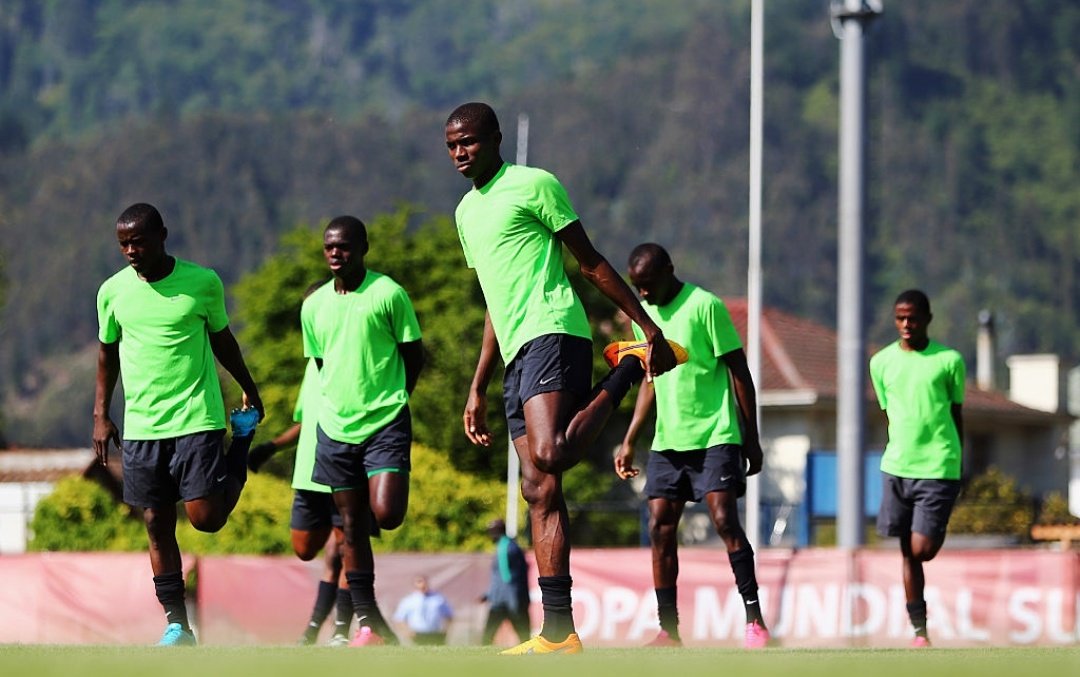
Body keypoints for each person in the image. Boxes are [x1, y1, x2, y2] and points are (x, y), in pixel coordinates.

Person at [444, 102, 683, 655]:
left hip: (554, 331)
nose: (460, 152)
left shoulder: (535, 185)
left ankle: (626, 367)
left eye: (470, 142)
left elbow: (590, 261)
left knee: (550, 455)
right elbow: (494, 301)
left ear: (495, 139)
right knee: (538, 489)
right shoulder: (464, 213)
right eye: (452, 145)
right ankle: (558, 632)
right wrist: (478, 385)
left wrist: (646, 331)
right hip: (514, 353)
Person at [92, 202, 263, 646]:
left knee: (206, 520)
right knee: (154, 521)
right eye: (124, 244)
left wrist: (249, 385)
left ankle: (241, 442)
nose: (131, 250)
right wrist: (100, 414)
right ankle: (177, 624)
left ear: (162, 235)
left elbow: (223, 341)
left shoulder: (202, 282)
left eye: (139, 241)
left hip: (195, 416)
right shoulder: (111, 292)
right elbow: (106, 354)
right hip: (143, 426)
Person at [613, 243, 770, 649]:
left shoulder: (706, 306)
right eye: (636, 287)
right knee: (660, 527)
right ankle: (669, 629)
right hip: (668, 442)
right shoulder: (642, 318)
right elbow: (652, 382)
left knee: (724, 521)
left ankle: (754, 621)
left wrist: (750, 437)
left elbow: (739, 372)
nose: (642, 294)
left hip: (716, 435)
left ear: (668, 269)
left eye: (647, 285)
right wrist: (630, 438)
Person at [301, 215, 424, 647]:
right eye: (330, 247)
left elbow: (414, 354)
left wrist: (396, 398)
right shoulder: (313, 305)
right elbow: (321, 364)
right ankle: (368, 620)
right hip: (335, 430)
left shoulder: (388, 294)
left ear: (363, 248)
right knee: (351, 527)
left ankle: (368, 615)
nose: (336, 253)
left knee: (386, 514)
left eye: (345, 247)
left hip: (385, 421)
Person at [248, 279, 354, 646]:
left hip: (344, 469)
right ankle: (322, 629)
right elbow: (304, 420)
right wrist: (271, 447)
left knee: (344, 549)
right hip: (309, 474)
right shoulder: (312, 364)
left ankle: (336, 631)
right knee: (307, 549)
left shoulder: (352, 356)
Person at [869, 289, 965, 648]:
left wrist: (959, 461)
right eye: (900, 317)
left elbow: (957, 414)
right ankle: (919, 632)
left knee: (921, 548)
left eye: (912, 317)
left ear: (927, 318)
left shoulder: (949, 360)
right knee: (907, 551)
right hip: (896, 466)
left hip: (939, 465)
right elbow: (888, 410)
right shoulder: (880, 363)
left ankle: (937, 520)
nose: (906, 324)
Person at [480, 518, 531, 646]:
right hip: (506, 600)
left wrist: (513, 602)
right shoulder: (508, 546)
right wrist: (488, 595)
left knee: (523, 636)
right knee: (488, 635)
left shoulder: (507, 549)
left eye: (491, 532)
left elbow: (508, 578)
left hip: (509, 602)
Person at [392, 576, 454, 645]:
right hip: (417, 635)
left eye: (424, 581)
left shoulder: (438, 599)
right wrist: (407, 632)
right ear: (414, 584)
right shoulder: (408, 601)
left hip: (435, 634)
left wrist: (445, 630)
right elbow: (399, 619)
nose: (422, 584)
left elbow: (449, 616)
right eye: (419, 582)